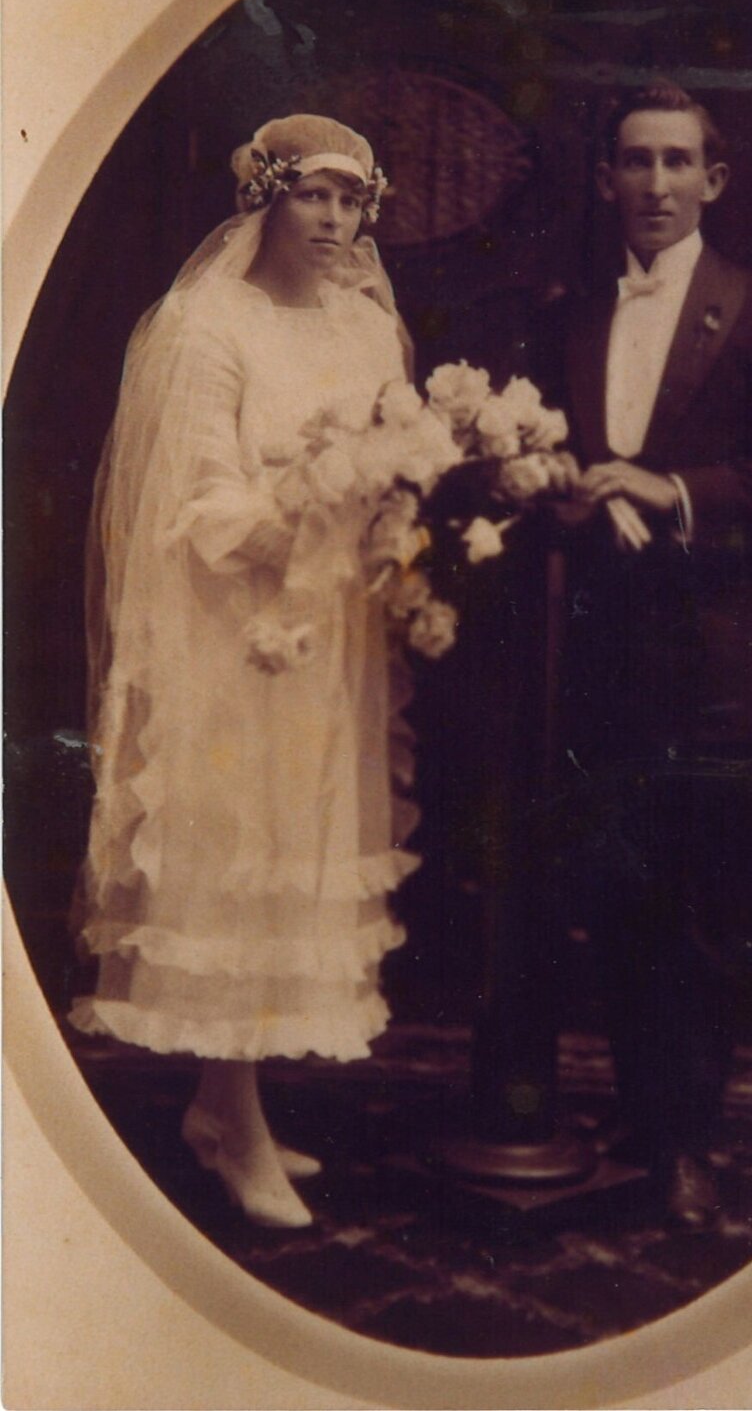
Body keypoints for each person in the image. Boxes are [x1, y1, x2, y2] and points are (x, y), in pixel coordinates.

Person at [70, 114, 420, 1229]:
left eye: (352, 201)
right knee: (238, 856)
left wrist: (389, 523)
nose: (333, 221)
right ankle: (233, 1121)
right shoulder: (204, 325)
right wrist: (320, 511)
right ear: (264, 199)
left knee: (297, 848)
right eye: (312, 196)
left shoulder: (368, 328)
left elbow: (396, 455)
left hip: (330, 643)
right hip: (233, 635)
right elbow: (201, 499)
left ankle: (229, 1110)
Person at [520, 85, 752, 1224]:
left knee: (702, 904)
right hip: (596, 661)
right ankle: (638, 1109)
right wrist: (552, 494)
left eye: (676, 163)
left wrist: (673, 489)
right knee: (616, 894)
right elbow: (552, 468)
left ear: (715, 179)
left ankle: (687, 1141)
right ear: (605, 179)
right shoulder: (571, 316)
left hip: (717, 665)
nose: (654, 185)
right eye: (634, 163)